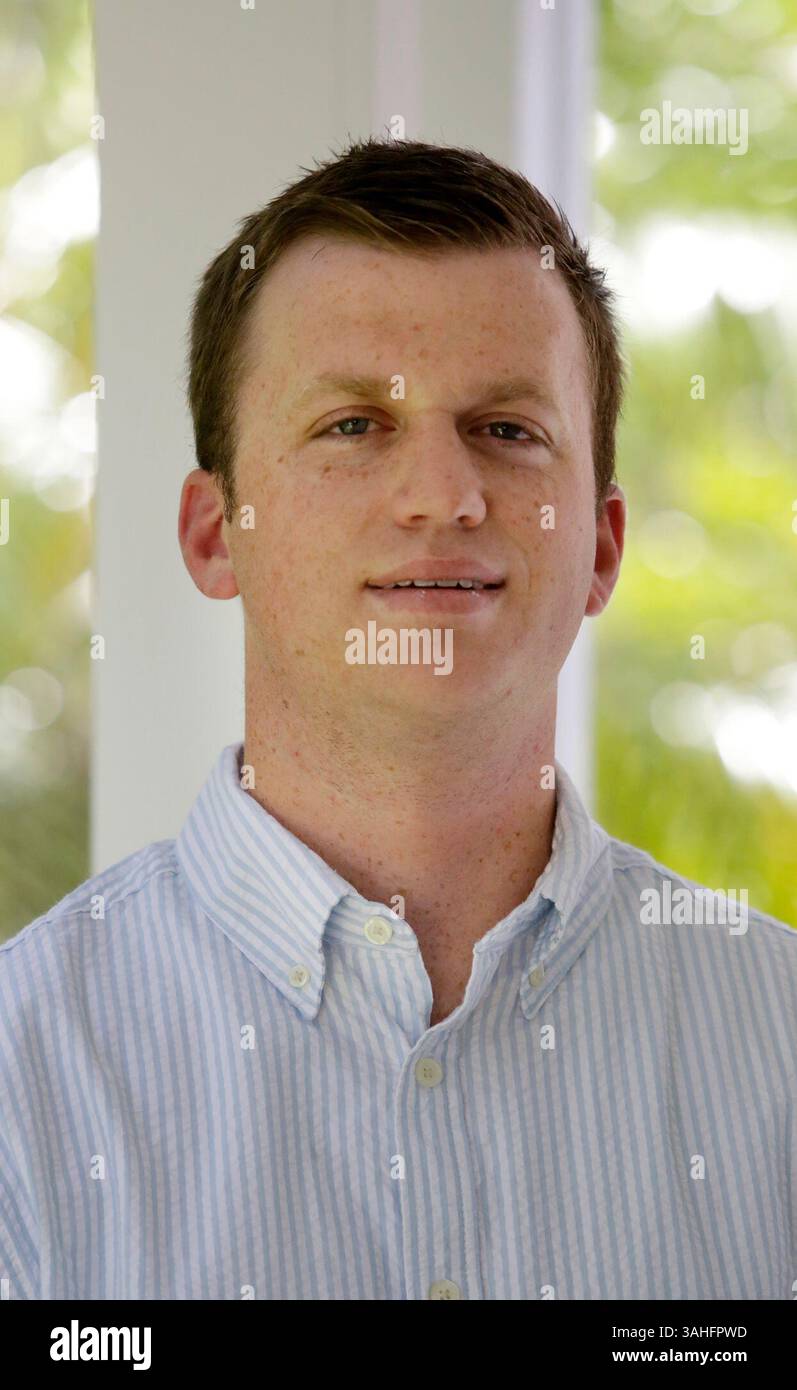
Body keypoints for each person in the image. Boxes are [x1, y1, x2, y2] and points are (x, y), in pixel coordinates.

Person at [1, 139, 794, 1301]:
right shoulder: (23, 1077)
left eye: (507, 430)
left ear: (600, 548)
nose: (441, 494)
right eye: (352, 425)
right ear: (216, 534)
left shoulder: (776, 1047)